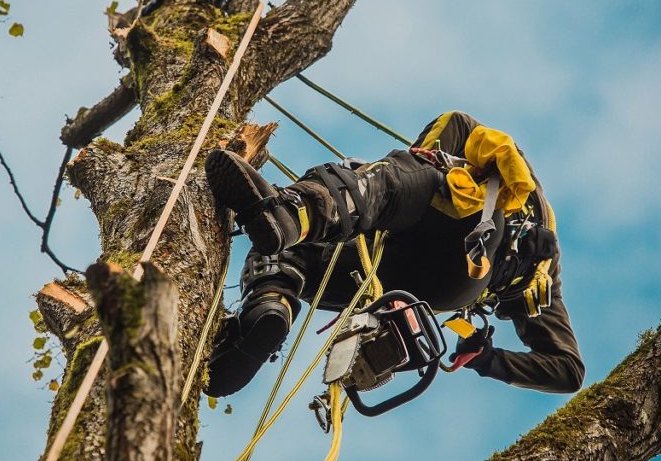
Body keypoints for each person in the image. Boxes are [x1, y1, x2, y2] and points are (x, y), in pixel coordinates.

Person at [203, 111, 584, 398]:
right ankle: (269, 311)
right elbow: (568, 370)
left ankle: (298, 213)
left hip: (465, 244)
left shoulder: (465, 135)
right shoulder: (546, 276)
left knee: (406, 176)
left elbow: (424, 154)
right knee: (284, 249)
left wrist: (376, 178)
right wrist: (487, 359)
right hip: (428, 288)